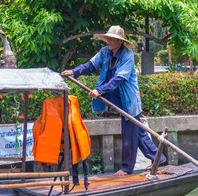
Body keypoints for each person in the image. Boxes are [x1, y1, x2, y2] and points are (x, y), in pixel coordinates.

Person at [61, 25, 166, 176]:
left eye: (113, 39)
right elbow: (90, 65)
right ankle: (158, 158)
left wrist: (99, 90)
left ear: (120, 42)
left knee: (130, 130)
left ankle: (126, 168)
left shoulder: (127, 56)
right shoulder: (104, 52)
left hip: (128, 99)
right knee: (137, 129)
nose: (109, 41)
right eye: (108, 38)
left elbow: (118, 79)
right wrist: (74, 72)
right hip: (113, 95)